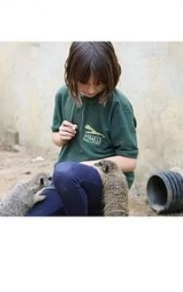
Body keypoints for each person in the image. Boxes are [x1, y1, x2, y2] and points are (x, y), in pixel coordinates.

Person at [26, 42, 138, 216]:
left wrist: (90, 166)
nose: (92, 89)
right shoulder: (63, 95)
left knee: (65, 172)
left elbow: (129, 161)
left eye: (99, 83)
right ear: (71, 72)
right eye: (84, 82)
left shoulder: (118, 105)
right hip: (65, 183)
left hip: (102, 186)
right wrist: (60, 137)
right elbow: (55, 137)